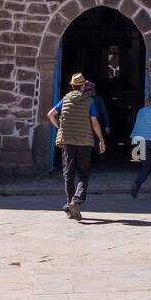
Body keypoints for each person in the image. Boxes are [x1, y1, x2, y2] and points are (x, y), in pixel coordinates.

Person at [47, 72, 106, 221]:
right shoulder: (89, 101)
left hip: (68, 141)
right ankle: (76, 201)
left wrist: (59, 127)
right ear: (83, 86)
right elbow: (94, 122)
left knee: (68, 175)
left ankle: (70, 206)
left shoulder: (65, 99)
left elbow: (50, 114)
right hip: (84, 142)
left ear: (73, 86)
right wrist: (101, 139)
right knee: (84, 174)